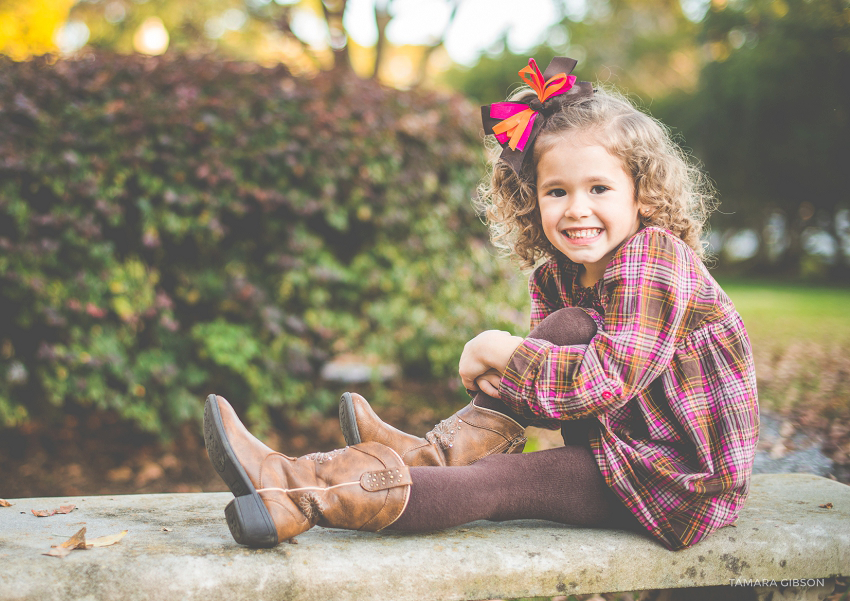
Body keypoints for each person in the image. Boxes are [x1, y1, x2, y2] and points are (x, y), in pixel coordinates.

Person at [203, 57, 759, 551]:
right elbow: (550, 402)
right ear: (530, 198)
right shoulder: (557, 278)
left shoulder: (655, 256)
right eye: (556, 191)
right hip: (619, 448)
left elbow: (601, 382)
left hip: (678, 482)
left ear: (642, 193)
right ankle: (429, 458)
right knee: (568, 327)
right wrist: (499, 366)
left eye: (600, 189)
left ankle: (297, 487)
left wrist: (499, 350)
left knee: (494, 482)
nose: (576, 209)